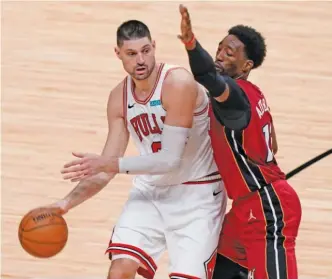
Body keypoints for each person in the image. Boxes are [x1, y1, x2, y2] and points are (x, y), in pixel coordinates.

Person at [43, 20, 227, 279]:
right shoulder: (119, 98)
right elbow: (104, 170)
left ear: (154, 47)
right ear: (118, 54)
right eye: (131, 54)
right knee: (119, 272)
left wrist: (110, 164)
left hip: (197, 195)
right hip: (150, 192)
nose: (140, 60)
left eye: (145, 51)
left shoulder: (178, 83)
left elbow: (169, 160)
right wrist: (66, 203)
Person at [177, 4, 302, 279]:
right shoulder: (253, 93)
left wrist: (190, 43)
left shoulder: (233, 97)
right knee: (218, 270)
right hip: (246, 206)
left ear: (247, 66)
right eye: (219, 48)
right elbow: (273, 147)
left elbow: (206, 75)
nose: (219, 55)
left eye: (229, 53)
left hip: (267, 207)